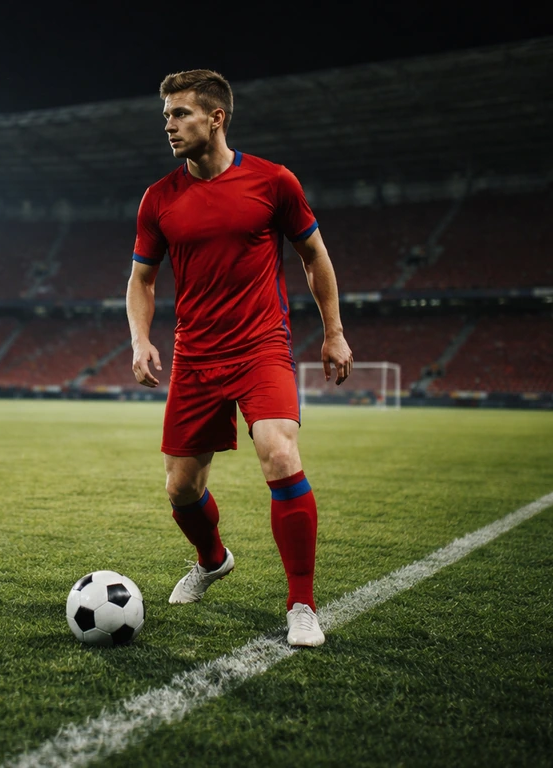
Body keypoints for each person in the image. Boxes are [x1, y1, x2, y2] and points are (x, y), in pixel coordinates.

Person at [126, 69, 353, 647]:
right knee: (181, 489)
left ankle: (301, 603)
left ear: (216, 117)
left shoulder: (274, 182)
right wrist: (140, 338)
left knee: (279, 451)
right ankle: (212, 558)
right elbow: (142, 280)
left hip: (261, 347)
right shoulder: (158, 199)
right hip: (196, 356)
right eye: (167, 116)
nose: (170, 126)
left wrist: (334, 332)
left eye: (181, 114)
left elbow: (315, 256)